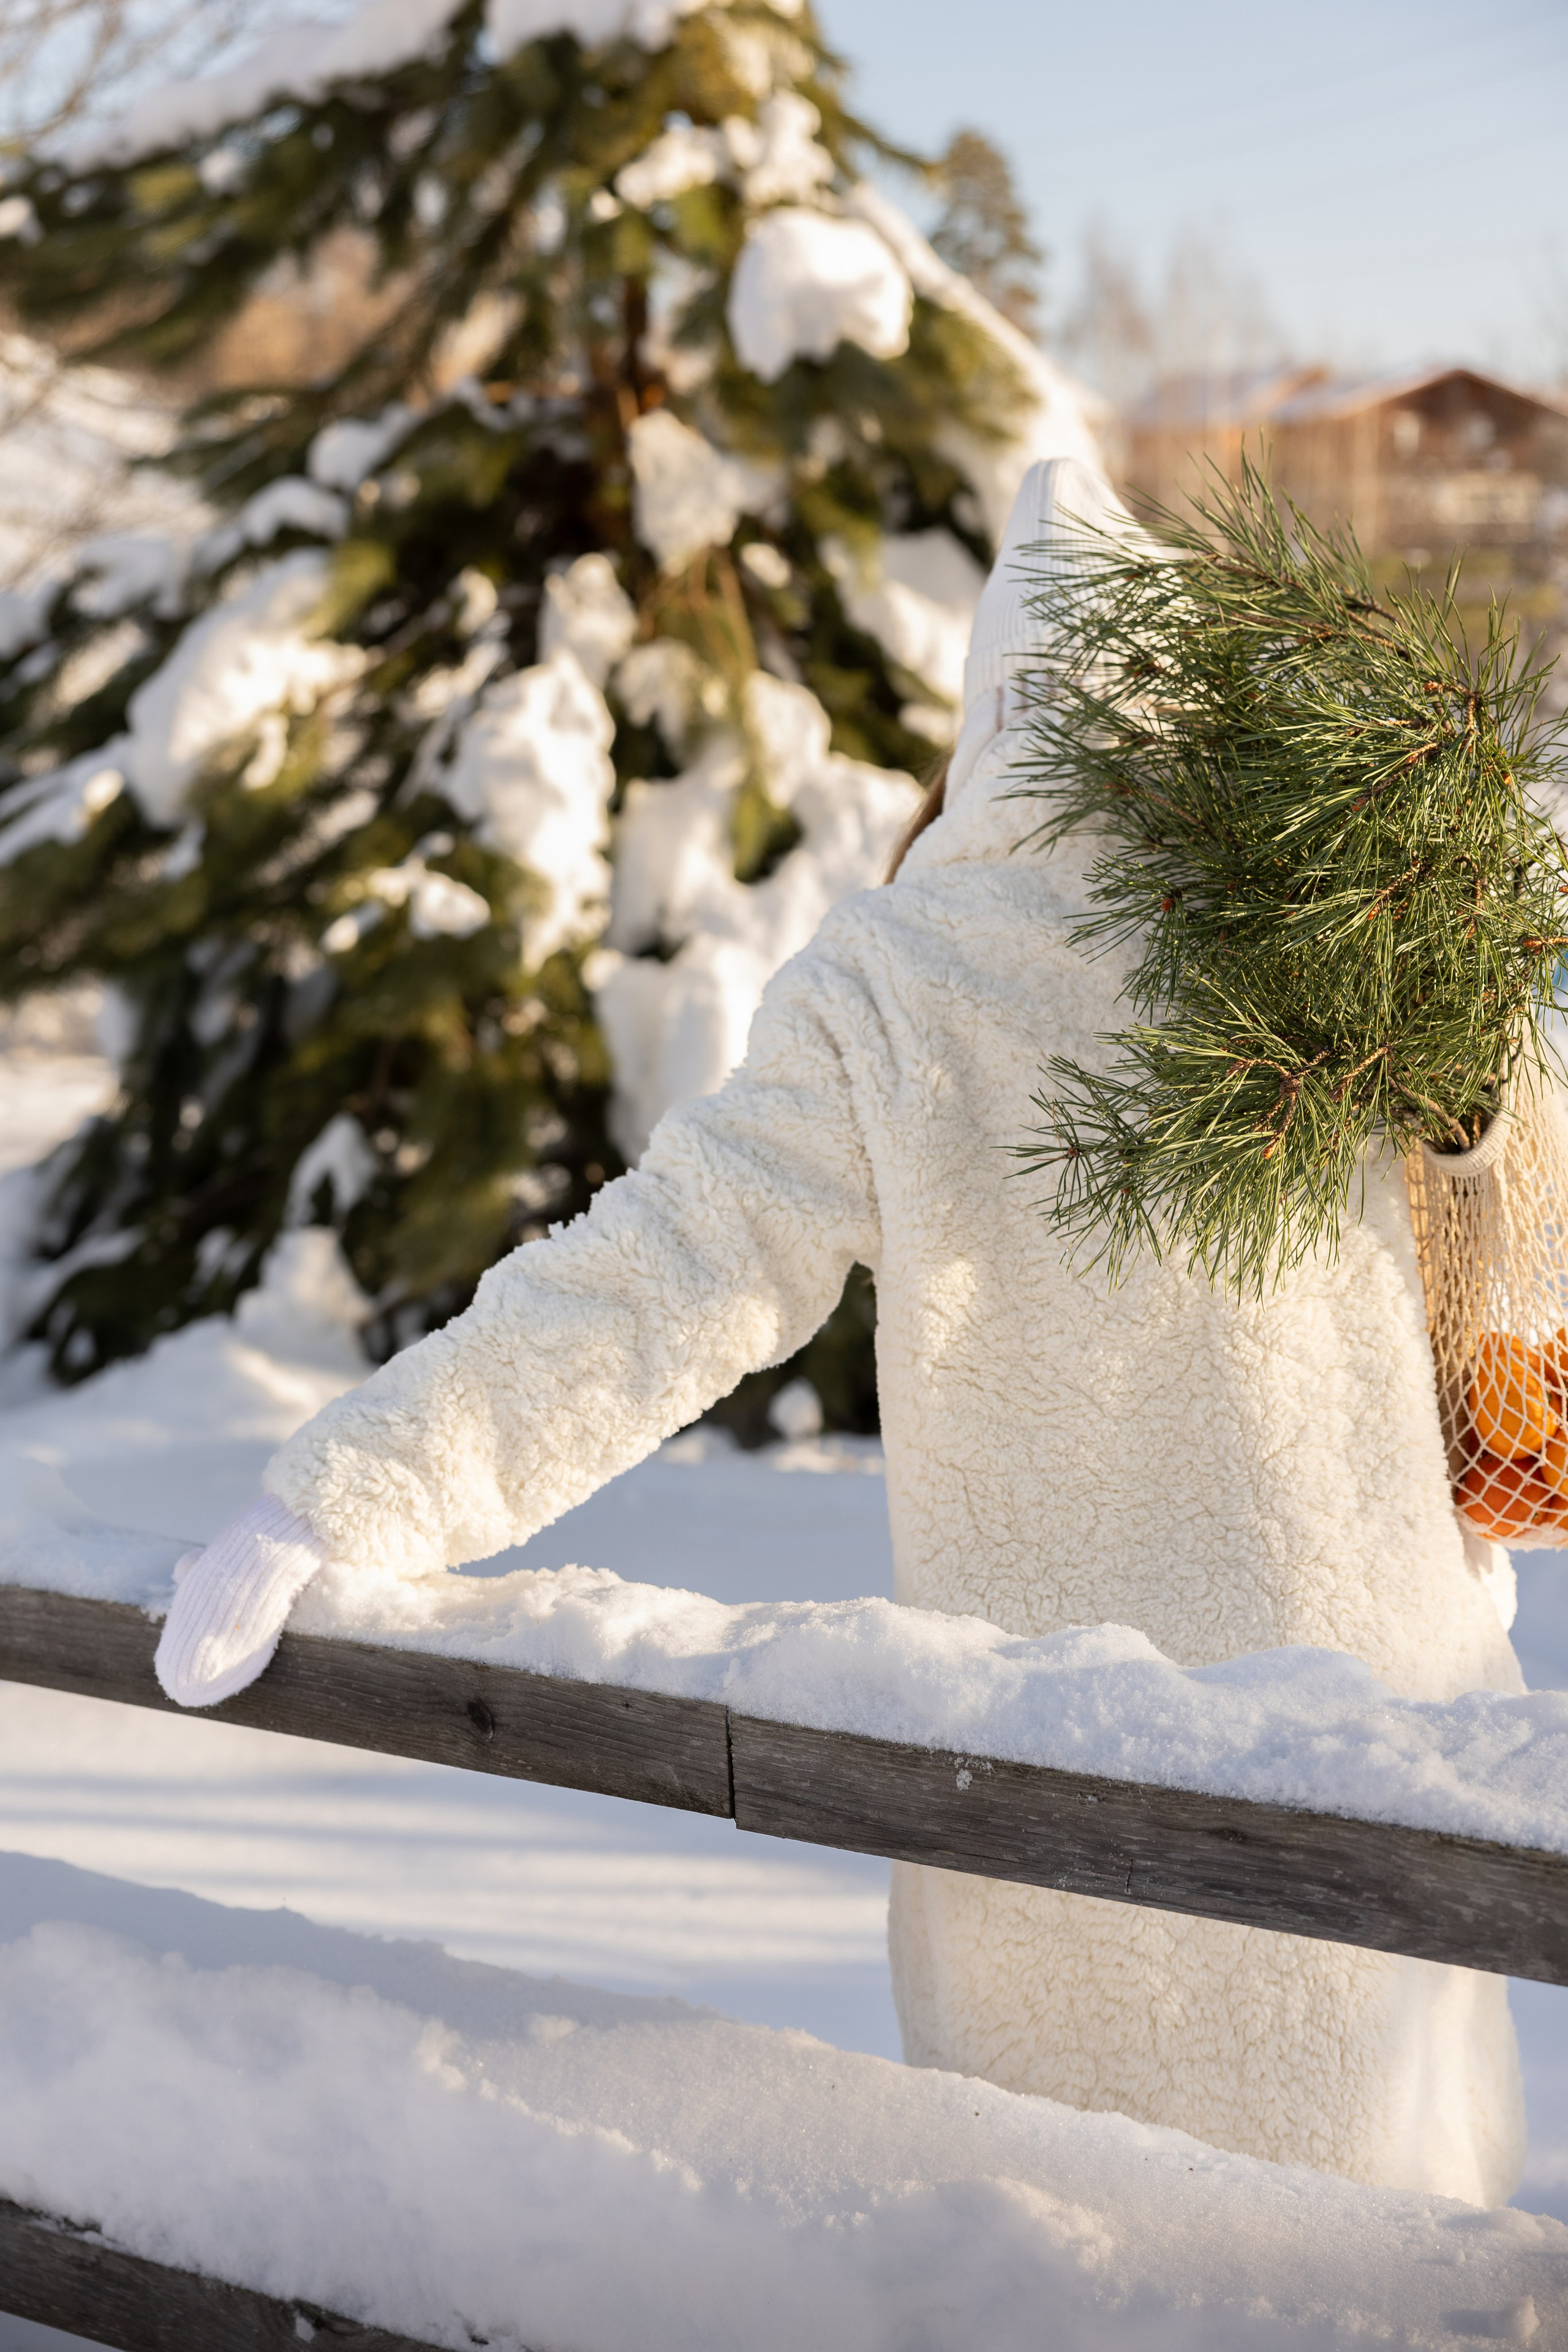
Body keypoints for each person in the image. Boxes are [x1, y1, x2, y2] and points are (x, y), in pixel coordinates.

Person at [156, 458, 1527, 2207]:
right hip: (1376, 1772)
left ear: (993, 726)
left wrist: (356, 1488)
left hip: (1047, 1795)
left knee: (1073, 2254)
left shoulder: (901, 980)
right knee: (1393, 2270)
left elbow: (660, 1273)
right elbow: (1530, 1239)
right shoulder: (1363, 948)